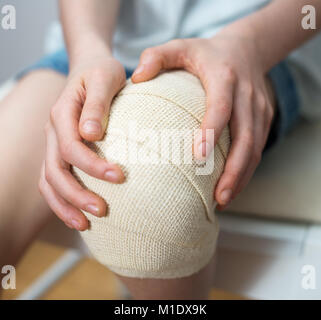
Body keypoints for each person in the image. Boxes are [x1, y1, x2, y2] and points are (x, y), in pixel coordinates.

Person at [0, 0, 320, 299]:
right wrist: (87, 52)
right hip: (107, 44)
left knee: (148, 191)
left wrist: (250, 43)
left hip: (260, 43)